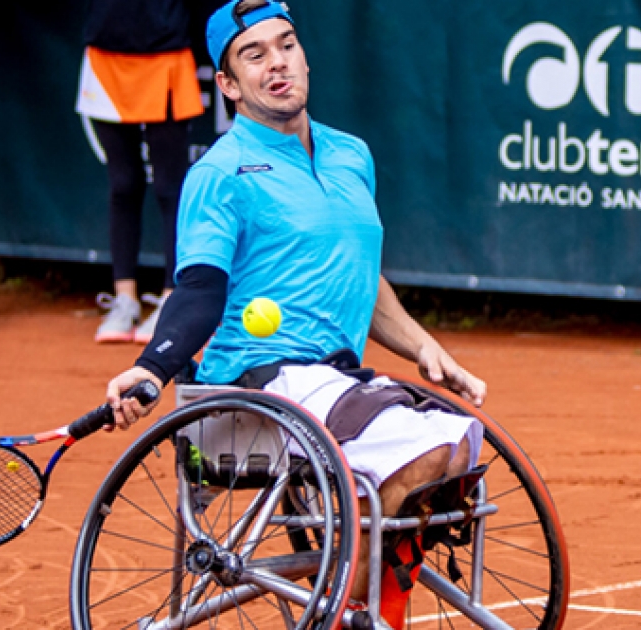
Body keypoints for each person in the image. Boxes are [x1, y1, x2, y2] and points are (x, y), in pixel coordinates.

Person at [104, 0, 487, 625]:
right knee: (424, 451)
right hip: (260, 382)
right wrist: (153, 368)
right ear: (228, 85)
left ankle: (362, 603)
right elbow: (198, 289)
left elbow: (362, 277)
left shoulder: (350, 155)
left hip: (335, 381)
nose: (276, 63)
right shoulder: (220, 174)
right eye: (253, 56)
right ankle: (351, 614)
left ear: (304, 55)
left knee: (457, 448)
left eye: (285, 45)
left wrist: (424, 347)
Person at [76, 0, 205, 343]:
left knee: (170, 187)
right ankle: (124, 299)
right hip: (104, 60)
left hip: (167, 57)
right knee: (123, 183)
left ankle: (171, 298)